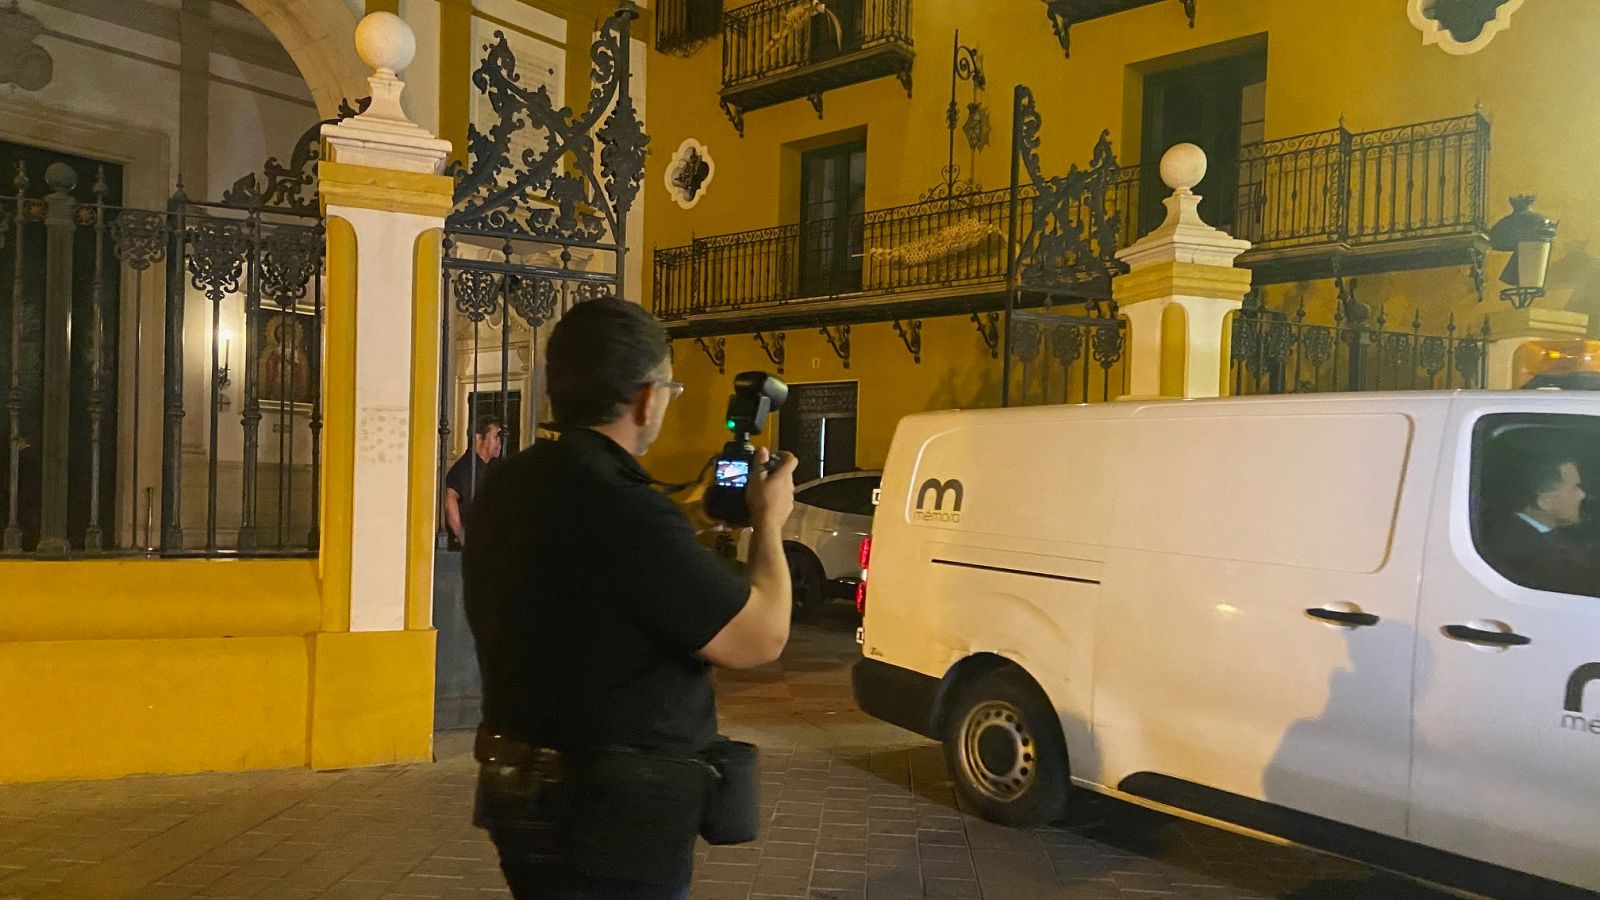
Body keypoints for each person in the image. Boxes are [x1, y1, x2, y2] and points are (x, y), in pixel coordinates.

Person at [461, 296, 797, 900]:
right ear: (646, 397)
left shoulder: (514, 481)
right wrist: (770, 523)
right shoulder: (624, 508)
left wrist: (687, 521)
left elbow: (591, 580)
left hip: (521, 793)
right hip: (610, 820)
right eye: (670, 387)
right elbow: (760, 637)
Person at [1484, 446, 1600, 595]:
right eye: (1574, 488)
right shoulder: (1528, 554)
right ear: (1546, 502)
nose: (1582, 494)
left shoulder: (1533, 533)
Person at [444, 416, 503, 548]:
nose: (499, 442)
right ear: (478, 438)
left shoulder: (486, 466)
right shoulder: (467, 467)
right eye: (495, 437)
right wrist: (461, 536)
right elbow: (450, 498)